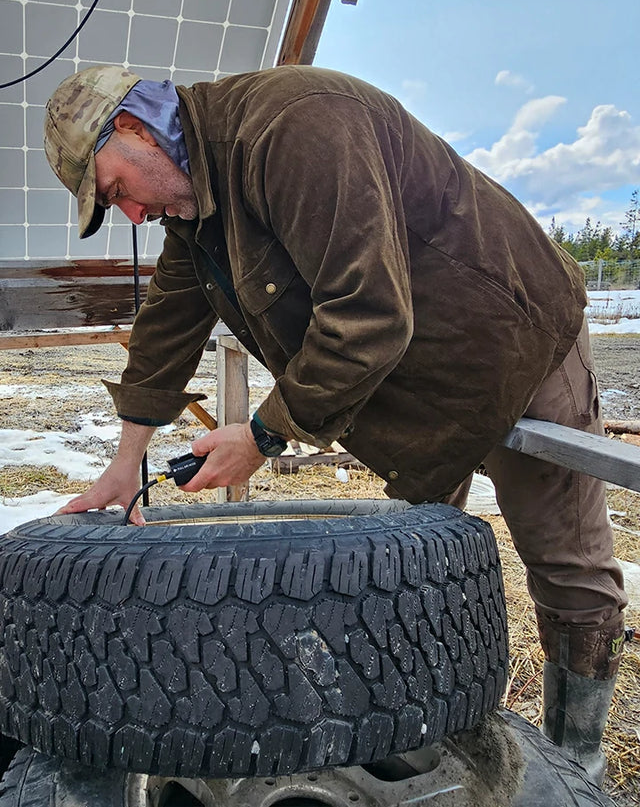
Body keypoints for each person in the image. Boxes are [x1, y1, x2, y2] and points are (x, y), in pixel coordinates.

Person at [44, 64, 627, 784]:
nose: (130, 215)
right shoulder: (194, 209)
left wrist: (261, 435)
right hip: (413, 385)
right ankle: (426, 736)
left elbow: (369, 315)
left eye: (116, 192)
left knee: (565, 562)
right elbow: (166, 327)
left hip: (513, 342)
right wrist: (124, 460)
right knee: (413, 565)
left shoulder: (295, 129)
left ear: (133, 129)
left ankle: (579, 765)